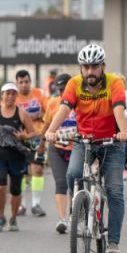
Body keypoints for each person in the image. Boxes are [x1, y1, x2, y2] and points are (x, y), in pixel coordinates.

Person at [45, 43, 127, 253]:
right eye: (86, 67)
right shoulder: (74, 84)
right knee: (73, 173)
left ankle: (113, 241)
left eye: (94, 67)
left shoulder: (115, 83)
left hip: (112, 142)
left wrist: (124, 132)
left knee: (115, 191)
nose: (90, 71)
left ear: (103, 66)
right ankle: (80, 210)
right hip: (85, 141)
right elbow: (64, 109)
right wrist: (51, 130)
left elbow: (119, 108)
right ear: (81, 68)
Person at [0, 82, 37, 231]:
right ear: (2, 95)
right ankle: (1, 217)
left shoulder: (22, 113)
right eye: (7, 93)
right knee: (0, 187)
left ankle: (13, 218)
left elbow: (33, 133)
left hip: (17, 157)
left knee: (15, 190)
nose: (10, 96)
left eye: (13, 93)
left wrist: (24, 136)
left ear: (16, 96)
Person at [43, 73, 77, 233]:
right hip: (57, 148)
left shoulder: (81, 103)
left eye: (65, 89)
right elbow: (47, 125)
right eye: (59, 90)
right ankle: (62, 219)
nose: (62, 93)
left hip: (77, 148)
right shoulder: (52, 103)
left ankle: (74, 214)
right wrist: (41, 143)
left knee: (74, 184)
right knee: (61, 183)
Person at [14, 69, 48, 218]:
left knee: (38, 169)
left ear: (30, 82)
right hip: (20, 139)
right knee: (20, 172)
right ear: (17, 83)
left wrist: (41, 116)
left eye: (26, 81)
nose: (23, 85)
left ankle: (36, 204)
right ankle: (22, 204)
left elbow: (49, 113)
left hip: (36, 138)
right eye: (20, 82)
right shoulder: (13, 98)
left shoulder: (39, 95)